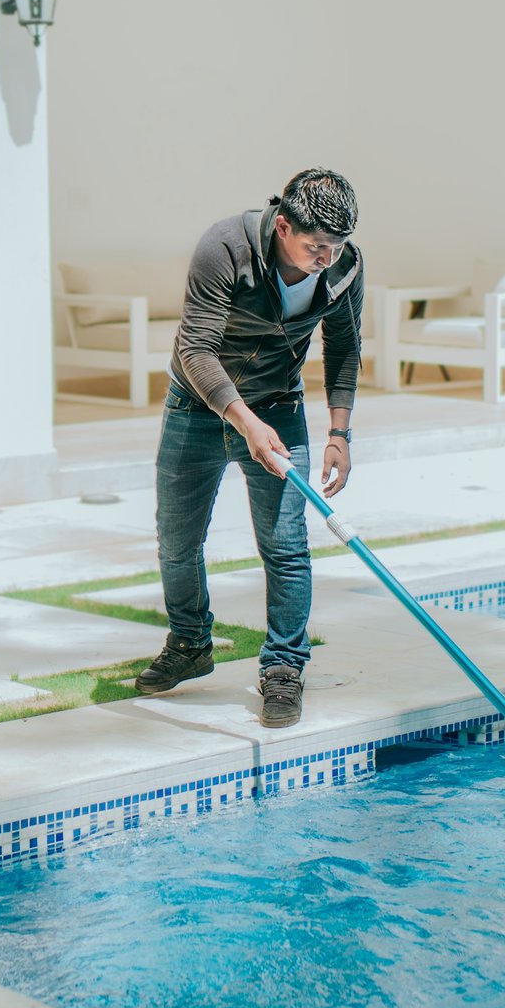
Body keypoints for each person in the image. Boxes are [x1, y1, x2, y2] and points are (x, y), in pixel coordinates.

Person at [135, 168, 363, 729]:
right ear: (283, 225)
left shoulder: (344, 267)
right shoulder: (225, 248)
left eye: (335, 248)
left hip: (281, 407)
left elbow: (344, 348)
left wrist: (339, 432)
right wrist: (245, 424)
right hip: (197, 407)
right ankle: (190, 644)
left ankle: (284, 668)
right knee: (177, 542)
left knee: (286, 546)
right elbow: (196, 348)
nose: (325, 258)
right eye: (315, 247)